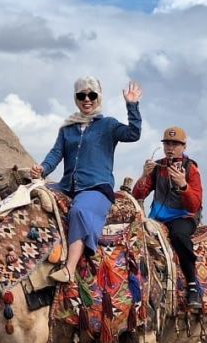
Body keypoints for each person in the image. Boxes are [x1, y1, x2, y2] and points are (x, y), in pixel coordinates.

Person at [30, 76, 142, 282]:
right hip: (67, 186)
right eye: (81, 95)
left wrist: (132, 105)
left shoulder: (108, 125)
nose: (86, 99)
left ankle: (69, 269)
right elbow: (56, 154)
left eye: (91, 95)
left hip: (97, 188)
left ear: (98, 97)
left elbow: (133, 134)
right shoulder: (67, 129)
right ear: (76, 98)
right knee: (31, 199)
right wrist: (42, 169)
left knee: (79, 210)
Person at [132, 126, 204, 308]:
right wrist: (144, 175)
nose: (170, 148)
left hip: (184, 216)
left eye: (175, 144)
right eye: (167, 144)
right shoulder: (158, 167)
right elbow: (138, 194)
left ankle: (192, 284)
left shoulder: (191, 169)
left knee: (179, 235)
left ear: (183, 147)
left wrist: (183, 185)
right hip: (157, 218)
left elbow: (195, 204)